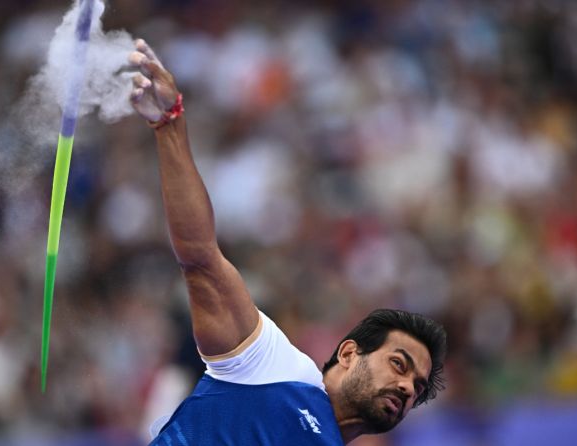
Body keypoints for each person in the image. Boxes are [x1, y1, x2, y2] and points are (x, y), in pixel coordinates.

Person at [128, 38, 447, 445]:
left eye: (417, 389)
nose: (407, 389)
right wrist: (170, 125)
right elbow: (201, 259)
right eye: (400, 366)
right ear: (349, 354)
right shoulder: (276, 368)